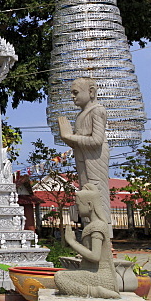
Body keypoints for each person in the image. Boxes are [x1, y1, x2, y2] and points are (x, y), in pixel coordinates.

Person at [57, 77, 111, 229]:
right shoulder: (81, 115)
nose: (72, 97)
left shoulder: (97, 111)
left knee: (96, 192)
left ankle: (102, 229)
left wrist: (70, 136)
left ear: (91, 92)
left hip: (95, 158)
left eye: (75, 92)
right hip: (83, 158)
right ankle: (89, 228)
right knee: (84, 194)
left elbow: (96, 141)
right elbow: (77, 143)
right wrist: (66, 137)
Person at [53, 184, 119, 299]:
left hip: (101, 276)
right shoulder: (93, 225)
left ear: (89, 205)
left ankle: (95, 292)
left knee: (60, 277)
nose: (77, 208)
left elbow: (95, 256)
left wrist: (72, 242)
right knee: (62, 276)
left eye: (78, 205)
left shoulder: (97, 226)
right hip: (90, 271)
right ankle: (85, 290)